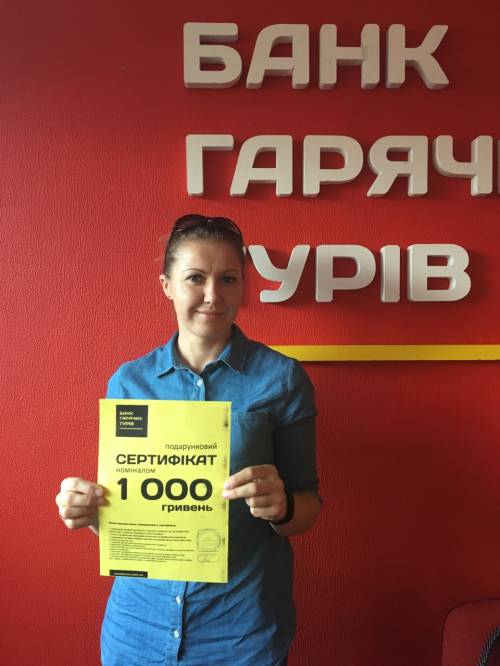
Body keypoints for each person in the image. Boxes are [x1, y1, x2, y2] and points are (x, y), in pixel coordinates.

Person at [56, 214, 322, 666]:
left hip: (241, 631)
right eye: (195, 278)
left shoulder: (282, 379)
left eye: (228, 279)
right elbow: (128, 516)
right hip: (138, 628)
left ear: (243, 287)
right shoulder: (130, 382)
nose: (213, 295)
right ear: (167, 285)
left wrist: (282, 506)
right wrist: (89, 512)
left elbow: (308, 506)